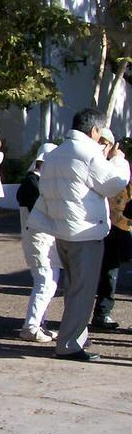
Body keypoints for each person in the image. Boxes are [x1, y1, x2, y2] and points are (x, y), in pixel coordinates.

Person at [28, 108, 130, 361]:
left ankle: (73, 337)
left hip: (61, 229)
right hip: (84, 231)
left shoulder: (57, 152)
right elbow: (114, 184)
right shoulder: (87, 153)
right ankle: (70, 344)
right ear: (94, 130)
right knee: (81, 293)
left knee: (74, 288)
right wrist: (118, 160)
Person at [16, 143, 61, 342]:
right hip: (38, 239)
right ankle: (31, 326)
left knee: (48, 283)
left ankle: (38, 325)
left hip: (43, 239)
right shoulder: (32, 184)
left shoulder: (37, 182)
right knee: (45, 283)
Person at [92, 128, 131, 331]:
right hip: (103, 225)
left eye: (105, 143)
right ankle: (102, 312)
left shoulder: (120, 165)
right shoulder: (96, 163)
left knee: (109, 270)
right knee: (107, 271)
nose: (102, 146)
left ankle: (102, 312)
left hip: (122, 225)